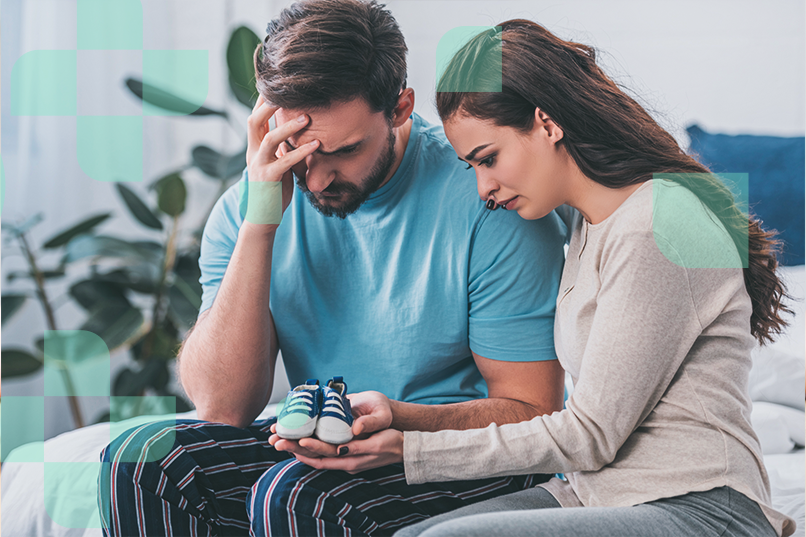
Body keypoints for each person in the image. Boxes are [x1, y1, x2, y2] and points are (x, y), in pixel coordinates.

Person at [289, 20, 798, 537]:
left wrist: (409, 448)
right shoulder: (583, 227)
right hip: (595, 494)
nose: (484, 188)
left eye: (489, 159)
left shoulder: (660, 222)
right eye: (471, 168)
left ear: (547, 123)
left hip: (701, 504)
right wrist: (400, 416)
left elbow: (591, 433)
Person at [96, 3, 568, 536]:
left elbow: (534, 411)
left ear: (399, 108)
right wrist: (260, 223)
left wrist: (400, 421)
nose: (316, 180)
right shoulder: (248, 207)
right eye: (298, 149)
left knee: (295, 497)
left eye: (343, 151)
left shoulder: (491, 198)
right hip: (324, 444)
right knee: (143, 462)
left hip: (455, 453)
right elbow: (223, 406)